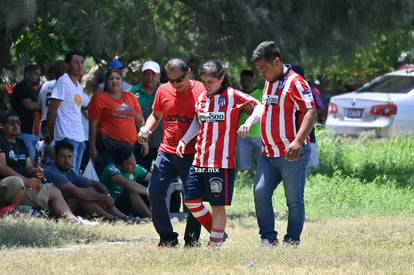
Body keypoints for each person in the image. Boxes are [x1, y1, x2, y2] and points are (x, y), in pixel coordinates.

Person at [176, 60, 262, 247]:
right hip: (199, 160)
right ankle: (218, 233)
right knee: (191, 201)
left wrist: (248, 123)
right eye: (204, 82)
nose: (206, 86)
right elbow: (198, 122)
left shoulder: (233, 96)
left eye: (210, 82)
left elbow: (260, 107)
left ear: (221, 78)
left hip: (221, 163)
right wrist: (184, 140)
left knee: (217, 206)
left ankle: (214, 244)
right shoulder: (202, 98)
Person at [251, 41, 317, 247]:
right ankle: (268, 238)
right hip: (268, 154)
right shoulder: (269, 81)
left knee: (294, 200)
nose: (261, 72)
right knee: (260, 192)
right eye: (258, 69)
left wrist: (298, 141)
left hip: (291, 154)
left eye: (264, 67)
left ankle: (292, 239)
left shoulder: (296, 82)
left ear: (277, 61)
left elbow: (310, 111)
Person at [137, 58, 204, 248]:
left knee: (193, 198)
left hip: (192, 153)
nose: (174, 85)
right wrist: (147, 130)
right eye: (171, 80)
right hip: (166, 151)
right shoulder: (163, 90)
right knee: (154, 193)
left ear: (188, 73)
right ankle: (167, 238)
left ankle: (192, 240)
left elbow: (201, 121)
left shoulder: (201, 91)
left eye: (179, 80)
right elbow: (156, 115)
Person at [0, 110, 93, 224]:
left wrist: (35, 172)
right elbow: (2, 167)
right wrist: (26, 181)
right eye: (11, 122)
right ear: (2, 125)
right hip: (6, 185)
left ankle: (72, 220)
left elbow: (29, 167)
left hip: (23, 185)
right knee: (17, 181)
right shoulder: (1, 141)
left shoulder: (21, 144)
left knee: (54, 190)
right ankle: (10, 217)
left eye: (18, 122)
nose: (16, 125)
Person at [44, 140, 131, 222]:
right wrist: (104, 197)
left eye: (69, 156)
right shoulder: (51, 172)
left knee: (91, 189)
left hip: (68, 206)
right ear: (55, 157)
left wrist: (107, 195)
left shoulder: (70, 172)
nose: (66, 161)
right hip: (52, 210)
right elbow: (78, 192)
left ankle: (122, 217)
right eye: (62, 157)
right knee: (81, 196)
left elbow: (94, 183)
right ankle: (114, 219)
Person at [88, 68, 148, 176]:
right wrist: (92, 147)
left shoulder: (131, 97)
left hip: (128, 146)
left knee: (129, 176)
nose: (115, 81)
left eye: (118, 78)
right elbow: (93, 125)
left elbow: (140, 121)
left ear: (122, 81)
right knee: (108, 175)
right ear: (106, 82)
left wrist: (145, 141)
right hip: (107, 146)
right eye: (111, 79)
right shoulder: (99, 98)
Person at [47, 50, 87, 173]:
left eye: (81, 62)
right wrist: (51, 137)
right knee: (67, 179)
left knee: (74, 178)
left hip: (80, 138)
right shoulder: (63, 82)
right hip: (65, 137)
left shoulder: (78, 86)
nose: (79, 65)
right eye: (76, 62)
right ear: (67, 65)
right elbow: (51, 111)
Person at [128, 60, 163, 171]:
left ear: (159, 76)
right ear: (142, 75)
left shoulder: (166, 91)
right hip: (139, 143)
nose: (150, 77)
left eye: (153, 74)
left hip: (162, 143)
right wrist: (144, 140)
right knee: (141, 175)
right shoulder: (131, 92)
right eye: (147, 73)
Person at [100, 147, 151, 218]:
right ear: (119, 166)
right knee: (132, 191)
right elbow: (128, 185)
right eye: (129, 164)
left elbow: (153, 179)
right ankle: (151, 218)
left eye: (134, 160)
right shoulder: (111, 170)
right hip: (113, 205)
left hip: (129, 204)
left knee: (152, 186)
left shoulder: (136, 168)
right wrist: (150, 192)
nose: (134, 165)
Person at [292, 65, 326, 170]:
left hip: (308, 135)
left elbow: (321, 109)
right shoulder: (287, 92)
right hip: (291, 136)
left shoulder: (310, 91)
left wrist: (308, 110)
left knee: (312, 168)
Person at [10, 64, 42, 161]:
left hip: (34, 132)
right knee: (31, 161)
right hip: (23, 131)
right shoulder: (21, 87)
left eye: (39, 74)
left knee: (37, 161)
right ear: (27, 75)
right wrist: (45, 106)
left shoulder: (33, 90)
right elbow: (30, 105)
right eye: (36, 74)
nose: (39, 77)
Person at [236, 69, 263, 176]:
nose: (246, 83)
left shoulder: (261, 93)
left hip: (259, 134)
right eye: (243, 81)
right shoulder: (238, 95)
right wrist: (242, 108)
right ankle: (246, 183)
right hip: (242, 135)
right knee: (244, 167)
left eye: (248, 80)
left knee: (264, 163)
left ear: (254, 80)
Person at [38, 60, 66, 125]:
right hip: (59, 125)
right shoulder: (66, 85)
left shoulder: (45, 85)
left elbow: (39, 104)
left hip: (44, 124)